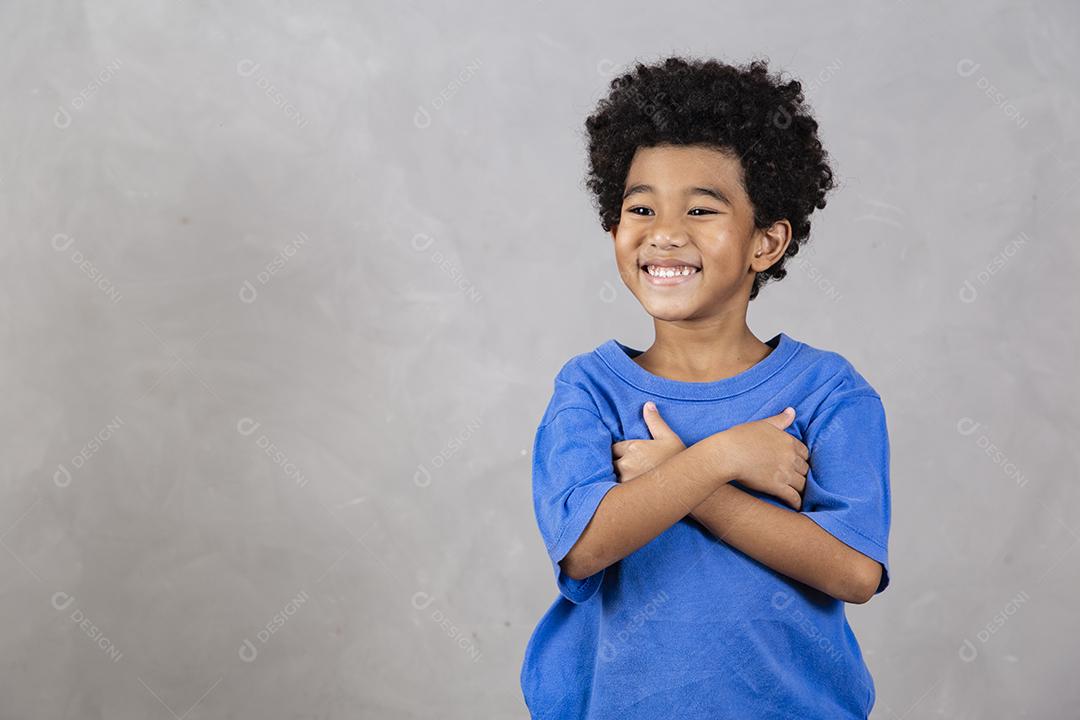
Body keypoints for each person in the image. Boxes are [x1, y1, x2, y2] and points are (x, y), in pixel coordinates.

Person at [520, 56, 892, 719]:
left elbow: (854, 572)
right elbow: (583, 550)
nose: (665, 232)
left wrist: (691, 484)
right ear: (615, 227)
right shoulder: (589, 389)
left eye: (700, 208)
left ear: (766, 241)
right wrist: (719, 458)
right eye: (641, 207)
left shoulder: (829, 390)